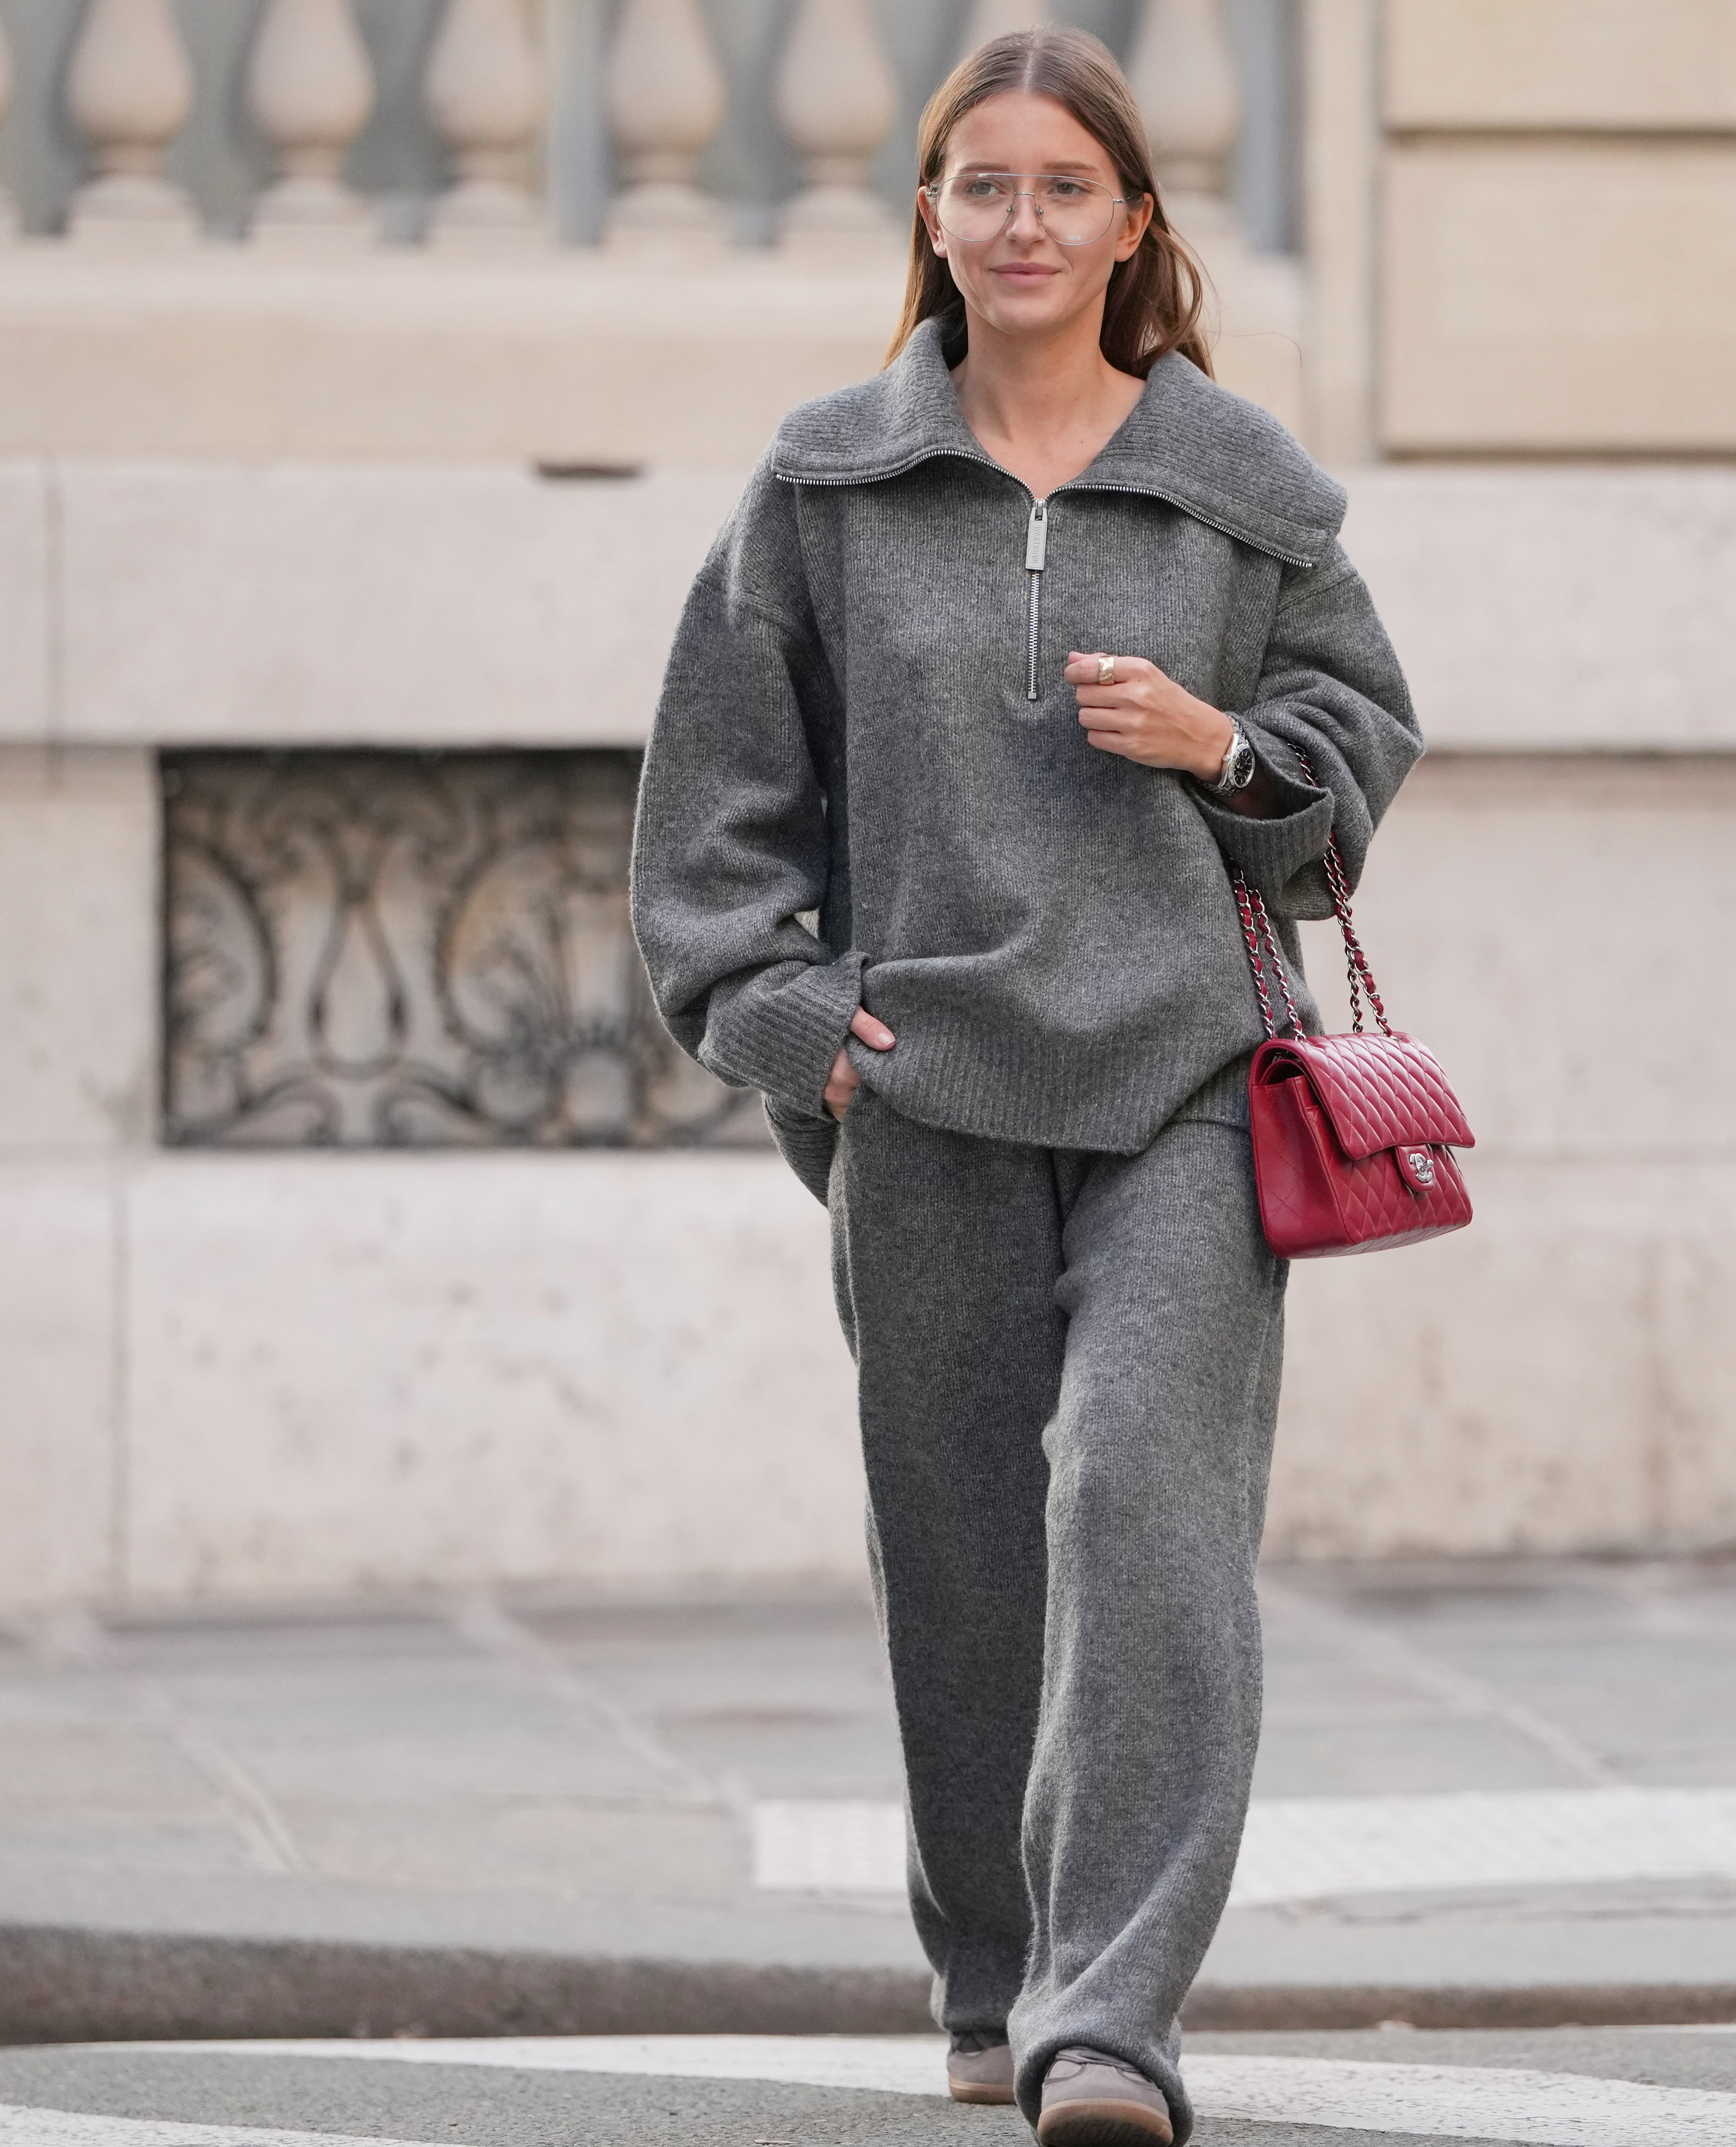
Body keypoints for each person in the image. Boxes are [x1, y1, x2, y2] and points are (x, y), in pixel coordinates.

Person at [629, 26, 1421, 2147]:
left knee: (1138, 1504)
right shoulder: (827, 487)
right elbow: (711, 812)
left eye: (1066, 187)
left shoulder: (1240, 487)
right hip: (930, 1092)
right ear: (932, 213)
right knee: (966, 1556)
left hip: (1188, 1083)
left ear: (1133, 221)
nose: (1023, 223)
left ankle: (1109, 2018)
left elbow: (1349, 762)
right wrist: (794, 1024)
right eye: (983, 185)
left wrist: (1221, 747)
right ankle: (993, 1971)